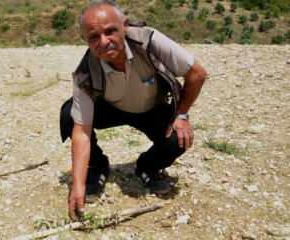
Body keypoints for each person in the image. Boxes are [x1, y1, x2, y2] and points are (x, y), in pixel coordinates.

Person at [59, 0, 207, 220]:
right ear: (85, 40)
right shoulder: (85, 73)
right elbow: (81, 132)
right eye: (93, 37)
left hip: (153, 108)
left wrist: (182, 114)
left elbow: (197, 73)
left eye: (110, 31)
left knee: (178, 138)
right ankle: (97, 166)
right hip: (112, 108)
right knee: (69, 114)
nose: (104, 41)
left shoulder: (149, 41)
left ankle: (148, 167)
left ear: (124, 26)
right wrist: (77, 185)